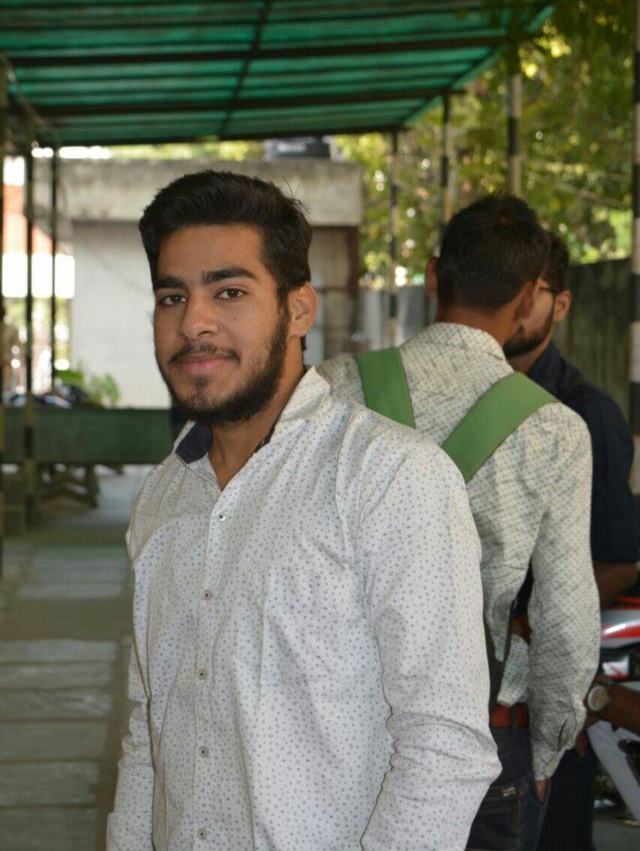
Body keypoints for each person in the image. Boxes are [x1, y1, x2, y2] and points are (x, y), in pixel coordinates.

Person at [107, 170, 499, 850]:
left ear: (298, 309)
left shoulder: (388, 477)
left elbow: (445, 746)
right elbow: (150, 726)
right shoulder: (163, 497)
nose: (194, 322)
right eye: (173, 296)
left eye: (229, 292)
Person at [319, 194, 601, 851]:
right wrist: (546, 751)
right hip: (481, 735)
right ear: (529, 298)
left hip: (337, 721)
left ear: (431, 273)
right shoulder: (554, 430)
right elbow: (565, 622)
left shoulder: (334, 387)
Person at [505, 231, 639, 849]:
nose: (513, 304)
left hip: (546, 695)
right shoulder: (454, 401)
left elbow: (617, 563)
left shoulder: (586, 414)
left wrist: (522, 629)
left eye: (530, 292)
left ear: (559, 305)